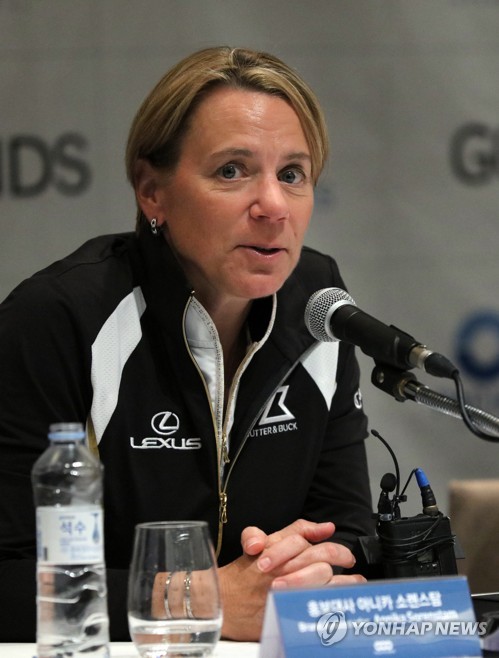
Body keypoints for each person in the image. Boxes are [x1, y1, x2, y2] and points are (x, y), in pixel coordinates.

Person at [0, 46, 374, 642]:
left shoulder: (316, 302)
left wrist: (313, 570)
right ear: (153, 192)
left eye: (292, 174)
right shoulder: (58, 318)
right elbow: (11, 578)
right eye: (232, 170)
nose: (273, 206)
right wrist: (198, 597)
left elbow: (350, 530)